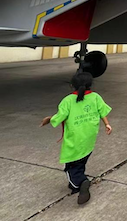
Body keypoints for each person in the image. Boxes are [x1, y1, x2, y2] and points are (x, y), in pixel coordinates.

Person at [40, 72, 112, 205]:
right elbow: (103, 111)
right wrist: (107, 124)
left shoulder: (68, 100)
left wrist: (49, 119)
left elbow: (60, 116)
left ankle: (81, 182)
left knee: (71, 166)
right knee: (82, 159)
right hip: (89, 138)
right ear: (90, 84)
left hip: (74, 140)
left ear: (72, 85)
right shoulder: (95, 97)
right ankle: (76, 182)